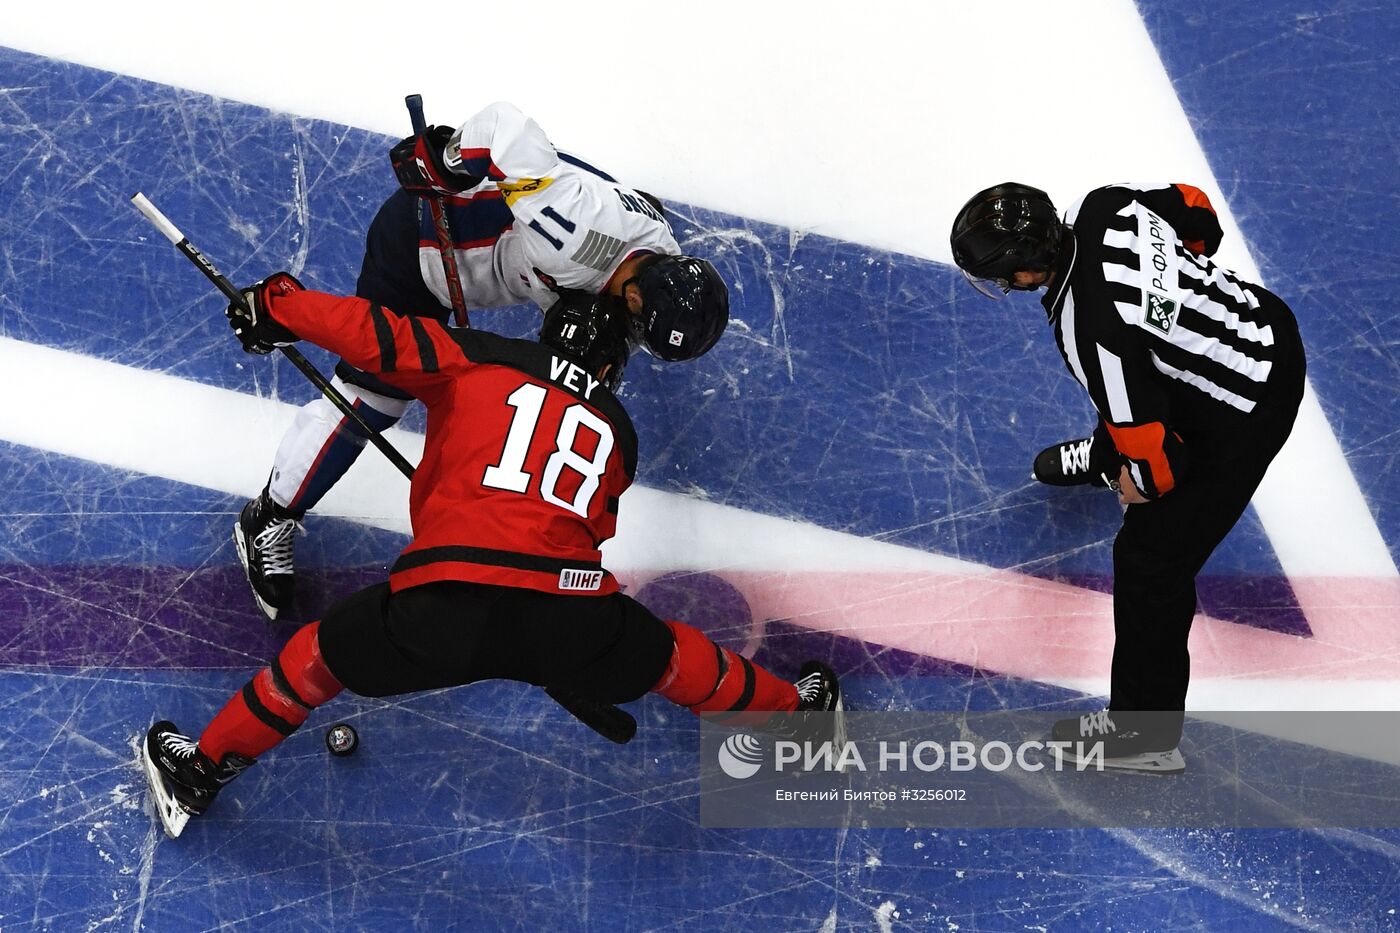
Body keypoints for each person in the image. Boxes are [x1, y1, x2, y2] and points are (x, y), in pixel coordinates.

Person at [140, 274, 836, 839]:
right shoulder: (619, 432)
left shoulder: (476, 355)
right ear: (608, 368)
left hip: (443, 606)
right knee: (673, 657)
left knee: (313, 660)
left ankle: (198, 772)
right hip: (572, 615)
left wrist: (277, 306)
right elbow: (584, 529)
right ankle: (792, 718)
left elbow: (371, 333)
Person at [237, 101, 731, 620]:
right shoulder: (572, 237)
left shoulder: (658, 261)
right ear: (632, 296)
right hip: (426, 241)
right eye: (636, 328)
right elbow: (505, 128)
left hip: (492, 256)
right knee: (376, 397)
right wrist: (449, 161)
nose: (631, 341)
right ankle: (268, 515)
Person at [949, 182, 1305, 772]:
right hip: (1263, 326)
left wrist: (1135, 480)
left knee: (1149, 562)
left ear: (1028, 273)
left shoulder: (1087, 331)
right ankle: (1107, 450)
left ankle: (1144, 736)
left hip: (1246, 414)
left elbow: (1163, 463)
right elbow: (1196, 209)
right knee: (1135, 377)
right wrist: (1174, 296)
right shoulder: (1105, 206)